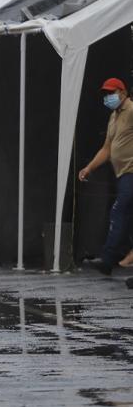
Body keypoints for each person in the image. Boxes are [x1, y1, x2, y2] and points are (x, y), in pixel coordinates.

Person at [78, 78, 133, 275]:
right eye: (106, 94)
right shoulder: (113, 117)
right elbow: (107, 149)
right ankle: (120, 259)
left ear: (123, 92)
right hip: (122, 174)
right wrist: (89, 168)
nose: (108, 97)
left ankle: (108, 259)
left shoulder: (131, 110)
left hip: (131, 172)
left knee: (119, 211)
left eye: (112, 92)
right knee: (127, 217)